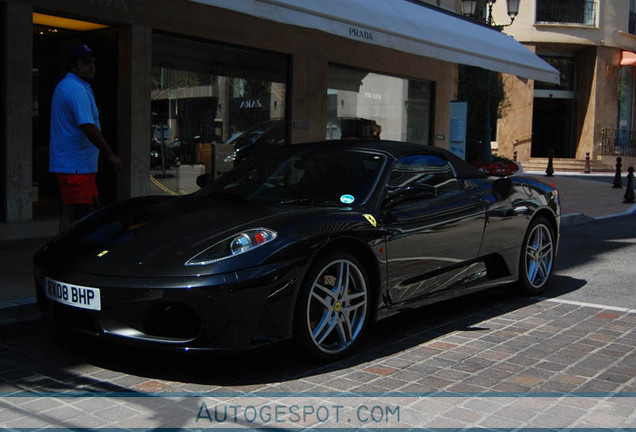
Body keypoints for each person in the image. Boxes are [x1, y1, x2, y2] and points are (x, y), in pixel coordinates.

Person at [49, 44, 122, 232]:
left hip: (79, 165)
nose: (91, 67)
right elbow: (87, 126)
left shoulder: (75, 87)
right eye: (85, 63)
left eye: (93, 63)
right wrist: (110, 154)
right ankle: (67, 253)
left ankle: (76, 250)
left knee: (91, 208)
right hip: (75, 166)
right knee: (77, 213)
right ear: (73, 66)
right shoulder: (75, 90)